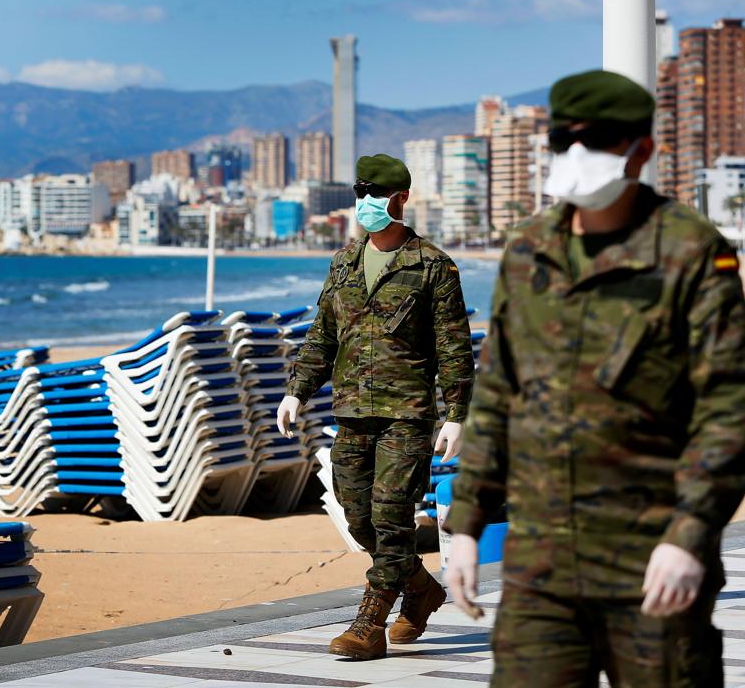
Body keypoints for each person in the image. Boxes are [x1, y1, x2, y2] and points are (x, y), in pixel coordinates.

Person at [443, 69, 745, 687]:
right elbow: (497, 394)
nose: (578, 154)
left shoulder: (689, 253)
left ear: (643, 150)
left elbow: (728, 411)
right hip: (539, 569)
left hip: (652, 559)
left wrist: (689, 537)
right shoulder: (529, 252)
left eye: (600, 139)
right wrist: (467, 525)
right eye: (563, 138)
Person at [278, 153, 476, 659]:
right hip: (351, 412)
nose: (365, 203)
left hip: (406, 414)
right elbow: (322, 335)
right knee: (358, 517)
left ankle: (370, 622)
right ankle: (421, 588)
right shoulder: (343, 263)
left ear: (401, 199)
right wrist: (297, 390)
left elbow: (454, 346)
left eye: (375, 194)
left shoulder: (432, 266)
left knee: (391, 516)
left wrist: (456, 413)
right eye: (359, 194)